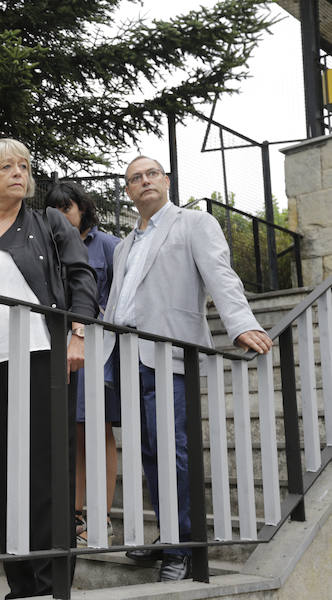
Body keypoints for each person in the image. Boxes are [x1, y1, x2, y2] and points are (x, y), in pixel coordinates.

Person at [103, 155, 273, 581]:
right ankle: (168, 535)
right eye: (135, 179)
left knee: (172, 448)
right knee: (146, 451)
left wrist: (241, 324)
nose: (144, 182)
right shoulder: (125, 244)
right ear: (128, 191)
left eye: (151, 174)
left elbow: (220, 273)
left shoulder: (194, 224)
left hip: (171, 354)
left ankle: (182, 546)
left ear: (166, 180)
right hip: (128, 354)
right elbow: (117, 302)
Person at [0, 138, 98, 598]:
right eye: (6, 167)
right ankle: (22, 584)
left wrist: (78, 333)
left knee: (46, 472)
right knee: (2, 472)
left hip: (40, 356)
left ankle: (54, 585)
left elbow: (81, 275)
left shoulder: (49, 222)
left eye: (24, 166)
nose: (19, 173)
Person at [45, 182, 121, 546]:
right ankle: (73, 516)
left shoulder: (106, 245)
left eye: (68, 208)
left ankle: (101, 517)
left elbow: (120, 296)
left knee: (97, 427)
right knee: (71, 431)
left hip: (99, 348)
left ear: (82, 209)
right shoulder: (49, 247)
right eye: (54, 210)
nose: (62, 216)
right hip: (56, 348)